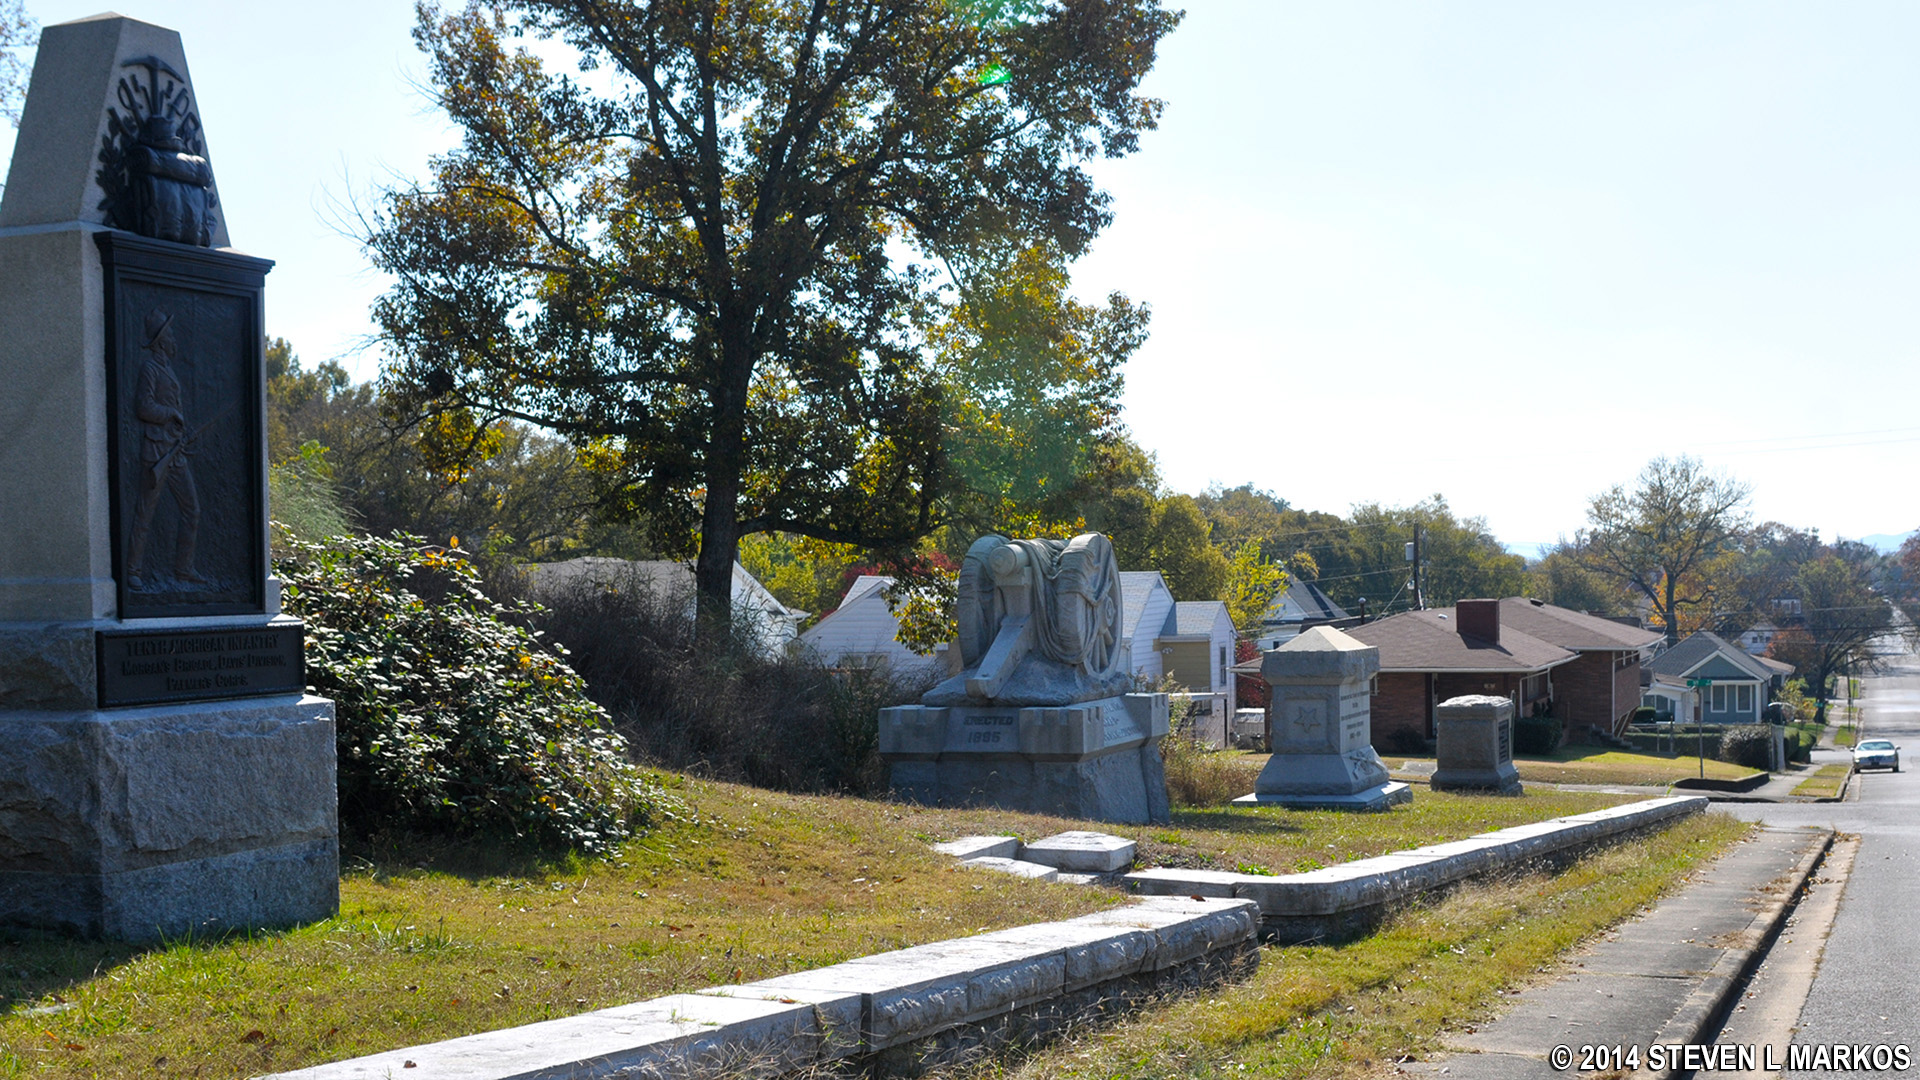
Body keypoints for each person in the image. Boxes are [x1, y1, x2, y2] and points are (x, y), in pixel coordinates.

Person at [126, 307, 206, 590]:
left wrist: (181, 429)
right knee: (145, 512)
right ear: (160, 341)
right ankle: (133, 570)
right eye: (170, 335)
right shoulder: (150, 369)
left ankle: (183, 570)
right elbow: (143, 407)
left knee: (192, 509)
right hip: (157, 452)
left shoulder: (167, 370)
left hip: (175, 452)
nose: (174, 340)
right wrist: (171, 413)